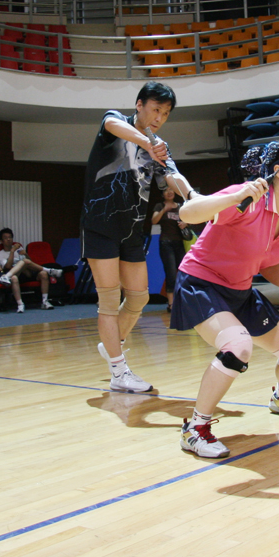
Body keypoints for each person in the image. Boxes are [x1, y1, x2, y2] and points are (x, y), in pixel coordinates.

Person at [170, 136, 279, 459]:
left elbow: (266, 262)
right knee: (237, 346)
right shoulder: (248, 198)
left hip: (239, 290)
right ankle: (195, 429)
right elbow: (188, 212)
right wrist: (234, 196)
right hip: (201, 283)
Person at [80, 81, 198, 394]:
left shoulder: (160, 146)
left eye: (166, 113)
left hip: (132, 230)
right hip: (101, 224)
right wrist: (147, 142)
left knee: (139, 297)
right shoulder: (115, 123)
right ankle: (119, 373)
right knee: (109, 300)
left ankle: (111, 344)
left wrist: (192, 195)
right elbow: (111, 124)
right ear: (139, 105)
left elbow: (170, 175)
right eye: (155, 109)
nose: (159, 117)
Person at [0, 228, 62, 313]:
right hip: (16, 274)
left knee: (43, 273)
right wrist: (12, 251)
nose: (8, 239)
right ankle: (20, 304)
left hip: (27, 272)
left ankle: (45, 301)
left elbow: (30, 262)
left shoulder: (18, 249)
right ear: (1, 241)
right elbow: (8, 266)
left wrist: (26, 254)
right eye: (5, 238)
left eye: (10, 237)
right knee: (16, 274)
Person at [152, 186, 189, 312]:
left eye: (171, 189)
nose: (169, 192)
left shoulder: (180, 206)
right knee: (171, 273)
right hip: (166, 243)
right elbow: (154, 221)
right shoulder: (159, 206)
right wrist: (164, 210)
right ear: (162, 194)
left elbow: (190, 219)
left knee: (184, 272)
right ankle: (171, 304)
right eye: (166, 190)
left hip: (179, 243)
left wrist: (186, 223)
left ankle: (183, 301)